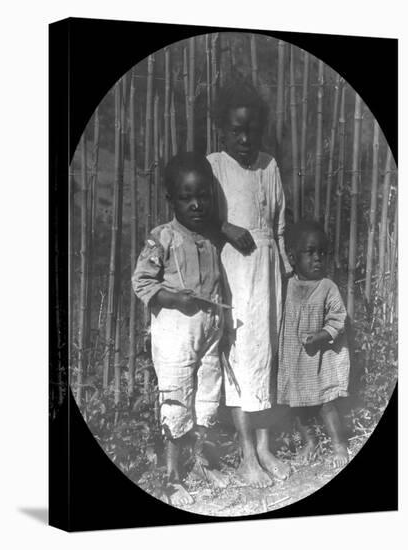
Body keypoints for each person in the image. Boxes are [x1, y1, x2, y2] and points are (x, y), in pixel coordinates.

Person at [207, 82, 291, 488]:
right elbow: (196, 214)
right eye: (235, 130)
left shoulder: (269, 165)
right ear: (221, 130)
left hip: (268, 271)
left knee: (266, 359)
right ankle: (245, 456)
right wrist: (223, 226)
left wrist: (286, 273)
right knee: (240, 362)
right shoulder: (214, 165)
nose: (244, 139)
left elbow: (278, 224)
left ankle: (264, 446)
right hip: (232, 273)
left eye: (251, 131)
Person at [132, 152, 227, 507]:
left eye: (203, 195)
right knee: (176, 400)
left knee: (206, 396)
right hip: (175, 332)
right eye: (187, 198)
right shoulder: (163, 238)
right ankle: (172, 479)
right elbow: (142, 282)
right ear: (171, 200)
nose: (197, 204)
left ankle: (203, 462)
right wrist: (172, 298)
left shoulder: (211, 236)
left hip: (209, 331)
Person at [278, 220, 350, 468]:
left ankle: (339, 444)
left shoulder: (327, 287)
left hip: (320, 360)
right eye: (310, 252)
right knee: (296, 407)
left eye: (322, 252)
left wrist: (320, 335)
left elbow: (338, 318)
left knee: (326, 405)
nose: (317, 258)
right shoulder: (286, 286)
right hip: (294, 362)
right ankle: (310, 441)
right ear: (293, 257)